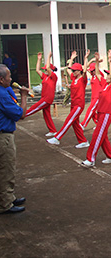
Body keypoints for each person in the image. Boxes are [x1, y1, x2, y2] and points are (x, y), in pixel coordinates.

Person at [81, 51, 111, 167]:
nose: (106, 76)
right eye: (106, 74)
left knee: (97, 135)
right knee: (103, 136)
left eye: (108, 75)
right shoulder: (104, 84)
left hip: (107, 113)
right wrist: (97, 62)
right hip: (101, 113)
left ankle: (90, 159)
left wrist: (110, 60)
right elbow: (97, 73)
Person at [0, 64, 28, 214]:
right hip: (3, 136)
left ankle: (8, 196)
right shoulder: (2, 94)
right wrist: (23, 96)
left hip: (3, 133)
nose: (11, 80)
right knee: (6, 170)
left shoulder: (4, 91)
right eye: (8, 77)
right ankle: (6, 204)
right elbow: (20, 114)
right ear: (1, 79)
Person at [47, 50, 89, 148]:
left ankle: (57, 138)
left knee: (69, 120)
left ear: (79, 71)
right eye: (73, 70)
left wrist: (85, 59)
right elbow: (69, 69)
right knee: (75, 123)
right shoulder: (74, 78)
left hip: (79, 104)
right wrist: (72, 59)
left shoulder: (82, 79)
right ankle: (83, 141)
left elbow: (85, 70)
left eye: (75, 70)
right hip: (73, 103)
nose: (73, 72)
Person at [25, 52, 57, 136]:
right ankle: (53, 130)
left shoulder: (53, 77)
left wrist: (48, 57)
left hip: (47, 98)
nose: (45, 70)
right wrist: (39, 59)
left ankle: (22, 115)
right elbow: (37, 70)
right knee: (46, 114)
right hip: (44, 97)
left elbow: (49, 68)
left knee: (34, 108)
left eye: (46, 69)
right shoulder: (45, 77)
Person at [80, 58, 105, 130]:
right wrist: (91, 60)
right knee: (93, 112)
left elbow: (97, 71)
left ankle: (83, 124)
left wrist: (96, 62)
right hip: (93, 96)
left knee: (90, 109)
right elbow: (85, 68)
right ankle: (99, 125)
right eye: (91, 71)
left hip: (98, 97)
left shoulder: (99, 75)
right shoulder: (93, 76)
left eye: (93, 71)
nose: (91, 72)